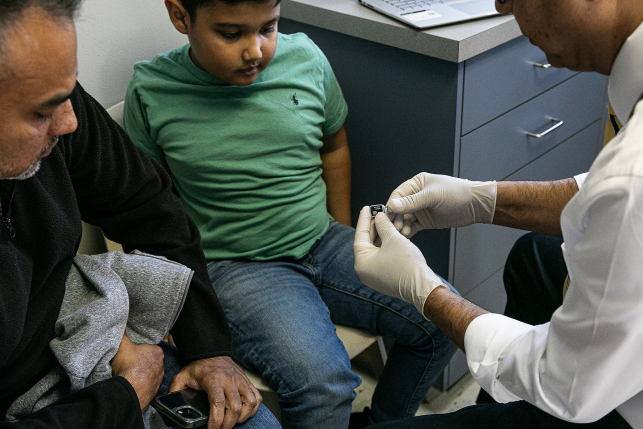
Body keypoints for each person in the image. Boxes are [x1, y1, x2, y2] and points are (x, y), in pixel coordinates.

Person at [122, 0, 458, 427]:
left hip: (324, 239)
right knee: (325, 386)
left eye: (269, 27)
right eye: (231, 34)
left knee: (444, 319)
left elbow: (333, 147)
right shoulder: (152, 90)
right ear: (180, 16)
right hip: (238, 268)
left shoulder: (306, 57)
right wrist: (169, 306)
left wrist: (343, 229)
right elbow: (146, 208)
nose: (255, 51)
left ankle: (383, 422)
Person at [353, 0, 643, 428]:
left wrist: (425, 291)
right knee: (534, 259)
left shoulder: (631, 177)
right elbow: (607, 197)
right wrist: (484, 198)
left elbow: (565, 386)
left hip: (605, 400)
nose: (500, 6)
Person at [0, 1, 281, 428]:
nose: (70, 122)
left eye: (71, 93)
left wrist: (205, 345)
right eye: (41, 113)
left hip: (91, 339)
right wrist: (125, 396)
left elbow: (148, 204)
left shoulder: (58, 107)